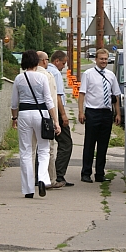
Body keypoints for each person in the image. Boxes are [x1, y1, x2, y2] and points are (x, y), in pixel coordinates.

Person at [11, 50, 61, 198]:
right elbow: (49, 100)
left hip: (24, 115)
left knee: (26, 151)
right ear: (36, 62)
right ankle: (42, 179)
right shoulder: (42, 77)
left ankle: (28, 189)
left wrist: (14, 119)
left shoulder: (19, 78)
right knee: (44, 150)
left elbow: (14, 103)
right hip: (41, 115)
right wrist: (55, 121)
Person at [78, 48, 121, 183]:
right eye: (101, 59)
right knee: (90, 144)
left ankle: (100, 174)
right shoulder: (88, 74)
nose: (104, 61)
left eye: (105, 59)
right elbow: (82, 94)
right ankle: (86, 173)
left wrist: (117, 113)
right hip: (92, 112)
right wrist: (81, 111)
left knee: (103, 145)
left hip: (106, 113)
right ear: (95, 59)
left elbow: (116, 95)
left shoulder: (111, 75)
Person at [33, 51, 64, 189]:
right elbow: (51, 100)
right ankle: (49, 179)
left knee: (31, 149)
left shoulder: (26, 75)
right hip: (45, 116)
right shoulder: (48, 76)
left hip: (28, 116)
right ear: (44, 61)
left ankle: (31, 179)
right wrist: (55, 121)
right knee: (48, 149)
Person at [47, 50, 75, 187]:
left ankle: (43, 175)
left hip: (46, 111)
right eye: (63, 63)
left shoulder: (44, 71)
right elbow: (57, 95)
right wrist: (63, 115)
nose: (64, 66)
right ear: (56, 61)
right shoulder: (56, 73)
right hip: (57, 111)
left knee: (45, 146)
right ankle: (58, 175)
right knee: (66, 143)